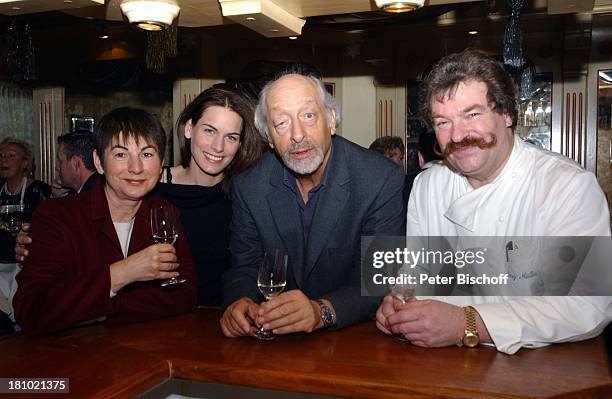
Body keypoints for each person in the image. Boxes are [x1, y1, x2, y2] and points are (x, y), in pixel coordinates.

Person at [375, 50, 611, 354]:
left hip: (541, 364)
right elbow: (419, 271)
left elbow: (587, 307)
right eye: (443, 122)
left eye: (472, 114)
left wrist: (467, 323)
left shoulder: (566, 186)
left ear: (507, 114)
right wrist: (399, 303)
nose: (458, 135)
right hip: (444, 362)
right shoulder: (427, 186)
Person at [221, 69, 405, 338]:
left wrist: (322, 311)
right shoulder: (249, 186)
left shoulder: (379, 179)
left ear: (331, 120)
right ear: (269, 138)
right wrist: (240, 301)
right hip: (276, 344)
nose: (297, 135)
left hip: (356, 341)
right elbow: (244, 265)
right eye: (281, 123)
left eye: (308, 116)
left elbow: (379, 279)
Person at [13, 107, 197, 334]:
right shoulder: (57, 216)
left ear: (160, 166)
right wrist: (122, 273)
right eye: (120, 154)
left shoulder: (164, 213)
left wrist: (96, 311)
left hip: (147, 354)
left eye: (147, 154)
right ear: (99, 162)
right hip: (76, 358)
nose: (136, 167)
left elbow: (184, 295)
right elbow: (32, 310)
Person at [154, 85, 265, 306]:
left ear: (240, 144)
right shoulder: (152, 187)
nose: (218, 147)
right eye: (209, 131)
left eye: (231, 137)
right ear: (189, 129)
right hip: (161, 320)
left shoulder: (244, 197)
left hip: (225, 319)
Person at [0, 137, 51, 263]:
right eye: (1, 155)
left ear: (25, 163)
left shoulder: (39, 191)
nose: (3, 160)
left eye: (11, 155)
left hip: (28, 261)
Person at [52, 130, 98, 197]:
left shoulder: (89, 198)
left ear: (75, 163)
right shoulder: (97, 188)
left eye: (60, 161)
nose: (57, 168)